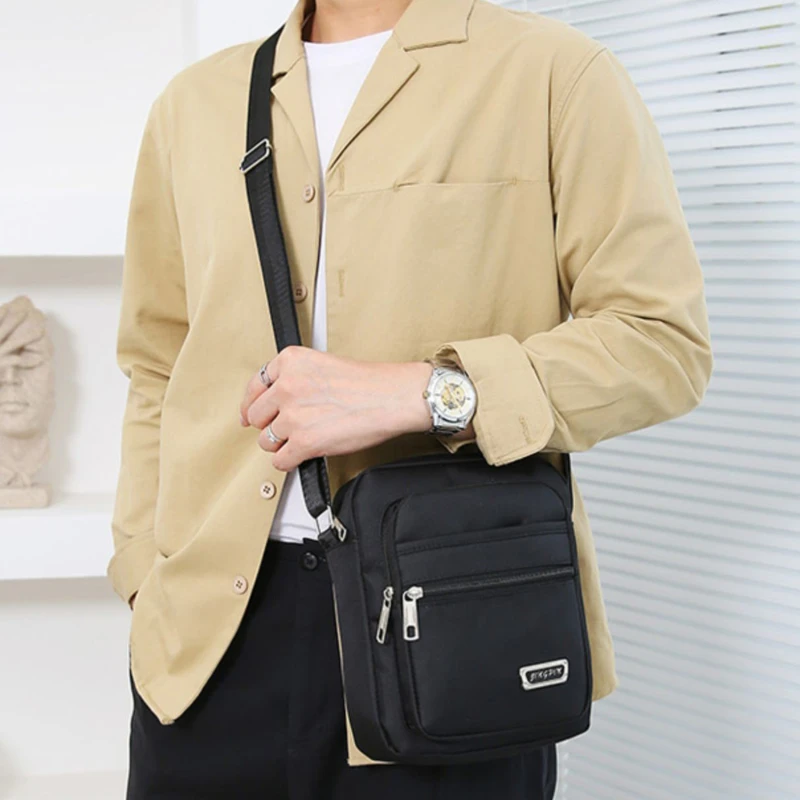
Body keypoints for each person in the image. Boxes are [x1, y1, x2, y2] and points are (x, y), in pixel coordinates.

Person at [110, 0, 713, 797]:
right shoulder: (193, 105)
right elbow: (157, 364)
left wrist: (427, 391)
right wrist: (140, 567)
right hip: (206, 641)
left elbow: (661, 342)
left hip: (453, 622)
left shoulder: (555, 74)